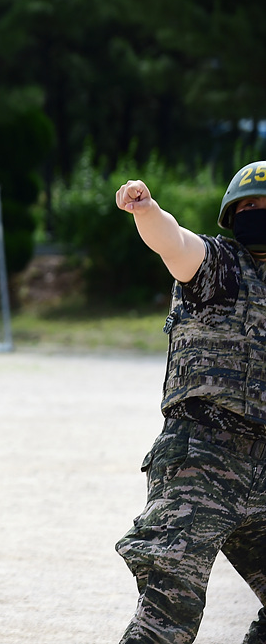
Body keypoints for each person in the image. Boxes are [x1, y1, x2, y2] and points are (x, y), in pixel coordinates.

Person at [114, 165, 266, 644]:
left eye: (264, 206)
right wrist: (148, 210)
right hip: (200, 459)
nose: (254, 214)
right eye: (246, 207)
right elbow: (175, 243)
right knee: (167, 618)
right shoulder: (218, 266)